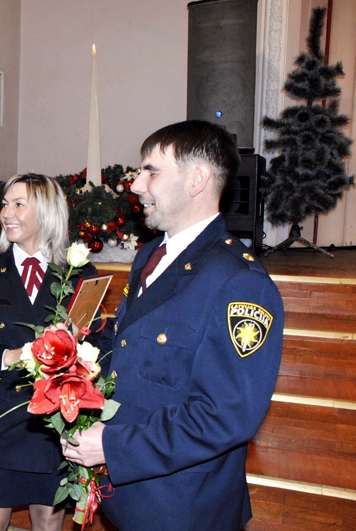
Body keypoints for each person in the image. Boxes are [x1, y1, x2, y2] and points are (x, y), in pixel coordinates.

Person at [61, 120, 284, 530]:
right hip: (129, 497)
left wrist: (113, 445)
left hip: (183, 506)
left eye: (152, 171)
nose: (135, 185)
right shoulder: (150, 255)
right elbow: (130, 345)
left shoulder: (239, 282)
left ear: (197, 179)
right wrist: (72, 353)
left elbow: (225, 415)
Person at [0, 173, 98, 531]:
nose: (6, 213)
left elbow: (98, 350)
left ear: (46, 212)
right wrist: (11, 356)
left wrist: (78, 350)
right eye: (5, 204)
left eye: (19, 204)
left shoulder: (79, 273)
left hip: (51, 426)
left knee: (48, 522)